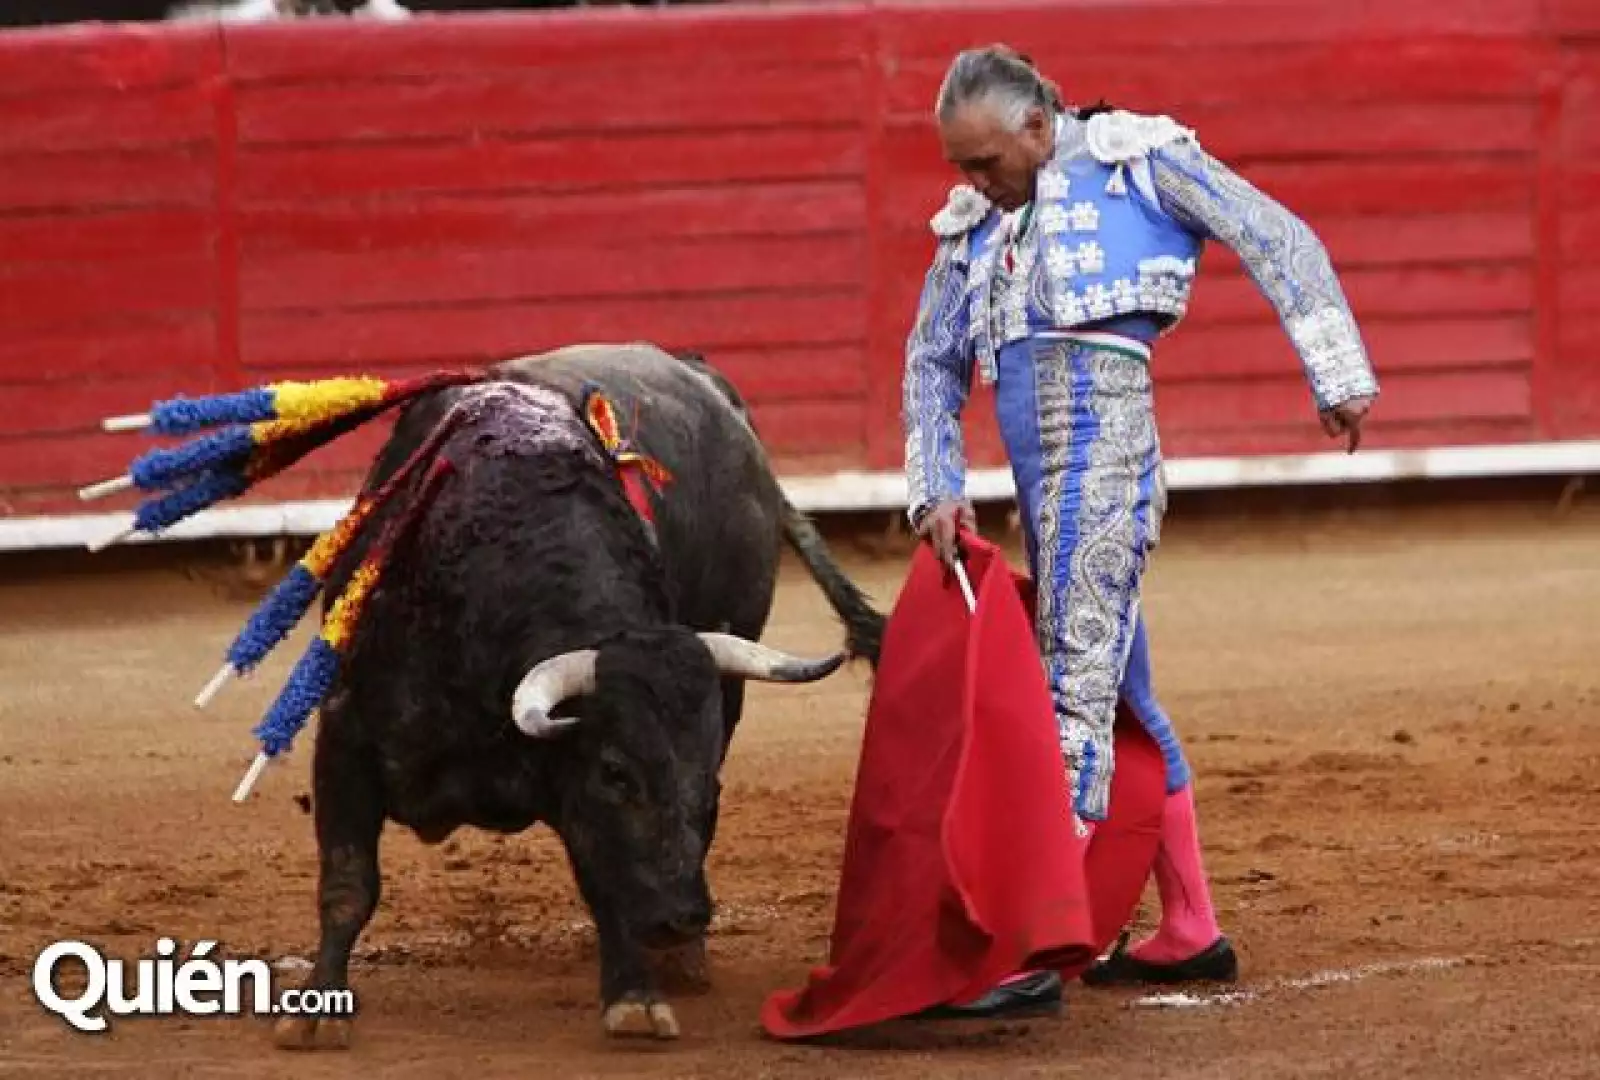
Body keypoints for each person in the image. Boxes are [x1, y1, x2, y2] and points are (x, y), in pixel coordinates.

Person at [901, 45, 1379, 1012]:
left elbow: (1277, 236)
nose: (973, 184)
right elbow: (929, 365)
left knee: (1067, 692)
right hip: (1044, 488)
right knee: (1118, 692)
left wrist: (1338, 376)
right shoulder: (976, 227)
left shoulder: (1135, 160)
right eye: (960, 166)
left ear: (1038, 127)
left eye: (985, 162)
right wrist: (936, 488)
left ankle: (1033, 944)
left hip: (1105, 464)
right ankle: (1191, 924)